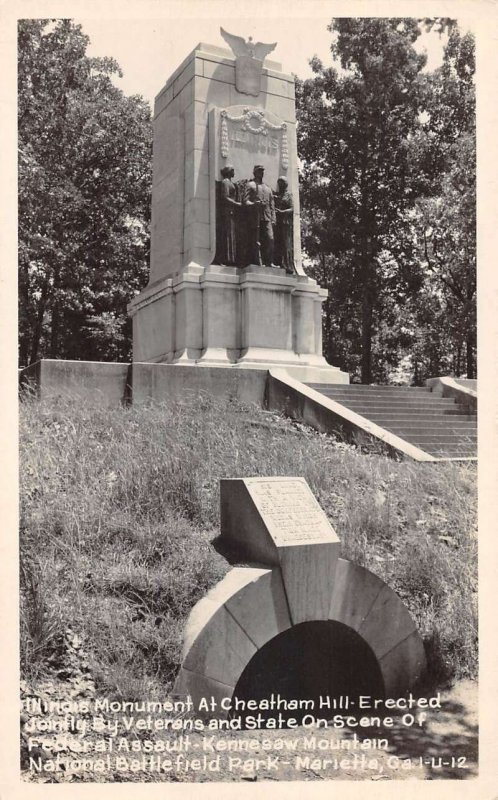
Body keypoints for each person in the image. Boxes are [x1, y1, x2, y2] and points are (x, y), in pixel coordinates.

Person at [243, 164, 275, 267]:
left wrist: (273, 218)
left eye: (262, 171)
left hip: (267, 217)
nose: (261, 173)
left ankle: (269, 262)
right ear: (254, 172)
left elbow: (272, 205)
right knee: (255, 241)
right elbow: (245, 201)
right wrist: (254, 204)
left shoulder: (268, 188)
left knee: (270, 239)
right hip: (255, 217)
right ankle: (256, 261)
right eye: (259, 171)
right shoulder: (250, 185)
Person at [218, 164, 241, 266]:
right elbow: (225, 197)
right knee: (227, 235)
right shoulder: (225, 182)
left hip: (231, 212)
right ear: (229, 172)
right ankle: (224, 259)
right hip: (227, 212)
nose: (234, 172)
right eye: (233, 170)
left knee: (231, 235)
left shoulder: (230, 182)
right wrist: (236, 203)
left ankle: (230, 259)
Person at [273, 176, 295, 274]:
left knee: (286, 243)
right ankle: (278, 262)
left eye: (281, 182)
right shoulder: (278, 195)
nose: (279, 184)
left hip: (286, 222)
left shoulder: (288, 195)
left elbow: (292, 209)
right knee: (278, 242)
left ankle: (287, 264)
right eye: (279, 183)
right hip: (278, 222)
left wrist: (282, 212)